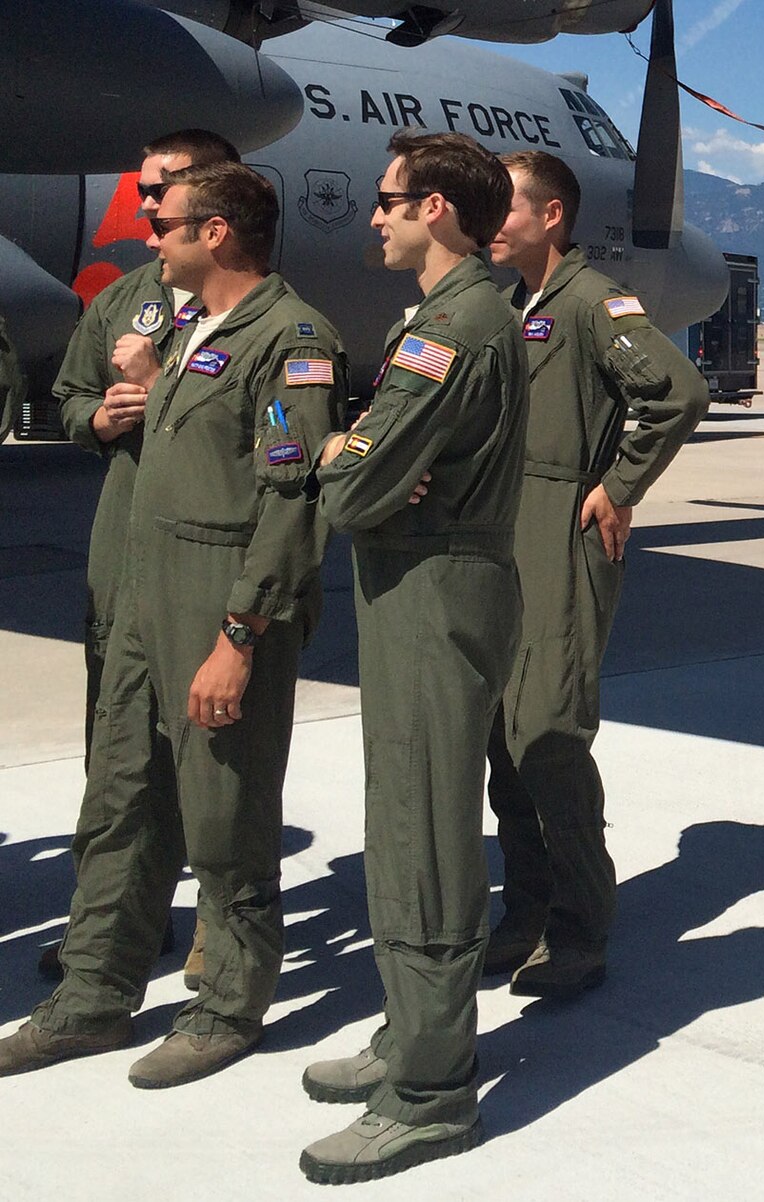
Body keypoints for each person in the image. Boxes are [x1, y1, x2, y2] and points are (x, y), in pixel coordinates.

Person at [0, 161, 343, 1087]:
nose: (152, 236)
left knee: (224, 815)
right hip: (144, 597)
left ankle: (228, 1004)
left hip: (218, 602)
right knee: (118, 800)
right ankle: (91, 1000)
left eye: (171, 224)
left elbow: (292, 500)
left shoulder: (292, 338)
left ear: (218, 232)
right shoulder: (193, 334)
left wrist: (240, 637)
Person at [300, 130, 525, 1185]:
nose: (377, 217)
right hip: (413, 587)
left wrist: (355, 456)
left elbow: (346, 488)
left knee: (428, 826)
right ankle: (411, 1028)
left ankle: (432, 1090)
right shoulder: (438, 320)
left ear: (437, 210)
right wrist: (366, 454)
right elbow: (367, 465)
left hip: (437, 592)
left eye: (391, 201)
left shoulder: (456, 330)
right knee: (399, 810)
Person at [481, 149, 709, 995]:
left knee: (548, 730)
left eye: (507, 206)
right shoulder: (513, 304)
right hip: (502, 534)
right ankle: (528, 908)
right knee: (502, 735)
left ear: (552, 217)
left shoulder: (591, 301)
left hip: (560, 537)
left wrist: (618, 487)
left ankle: (580, 925)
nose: (491, 219)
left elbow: (677, 392)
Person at [43, 129, 241, 988]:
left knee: (210, 767)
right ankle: (117, 923)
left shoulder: (256, 315)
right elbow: (67, 399)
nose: (145, 205)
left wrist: (159, 388)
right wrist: (98, 418)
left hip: (202, 575)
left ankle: (220, 932)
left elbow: (258, 449)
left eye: (160, 190)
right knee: (117, 761)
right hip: (120, 561)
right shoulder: (125, 299)